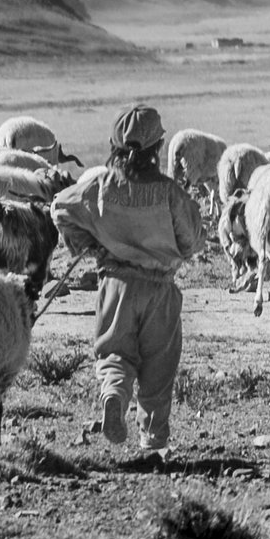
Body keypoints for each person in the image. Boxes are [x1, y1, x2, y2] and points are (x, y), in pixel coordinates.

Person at [51, 105, 204, 453]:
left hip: (115, 285)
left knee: (115, 353)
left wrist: (90, 243)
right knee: (159, 367)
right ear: (157, 147)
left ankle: (115, 396)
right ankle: (152, 441)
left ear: (113, 145)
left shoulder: (100, 186)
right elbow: (192, 238)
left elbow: (59, 208)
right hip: (159, 288)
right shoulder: (169, 193)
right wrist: (173, 251)